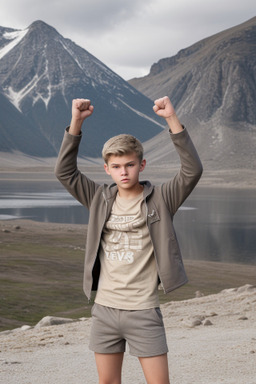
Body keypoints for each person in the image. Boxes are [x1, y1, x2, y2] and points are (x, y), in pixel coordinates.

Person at [55, 96, 203, 384]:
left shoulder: (162, 199)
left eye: (130, 165)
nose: (124, 172)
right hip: (105, 310)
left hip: (143, 310)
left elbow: (192, 170)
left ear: (142, 164)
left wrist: (171, 119)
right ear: (107, 169)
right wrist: (76, 122)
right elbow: (64, 172)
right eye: (117, 166)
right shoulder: (98, 198)